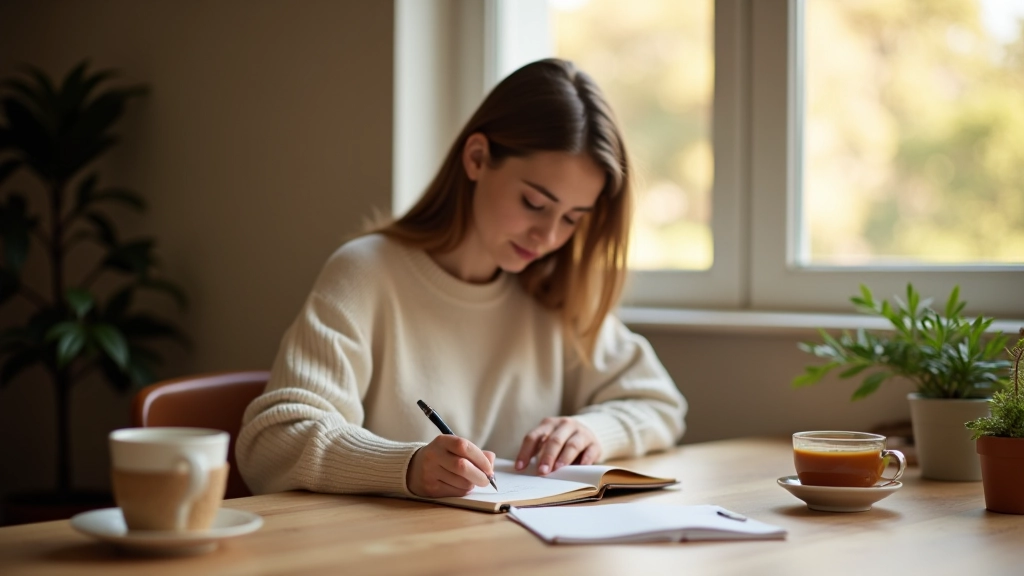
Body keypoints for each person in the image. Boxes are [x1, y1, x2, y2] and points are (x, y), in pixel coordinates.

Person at [236, 58, 687, 499]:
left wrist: (592, 431)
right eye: (534, 203)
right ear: (477, 158)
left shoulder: (553, 289)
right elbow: (272, 441)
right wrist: (407, 467)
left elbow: (661, 405)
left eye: (572, 218)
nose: (549, 236)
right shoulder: (367, 274)